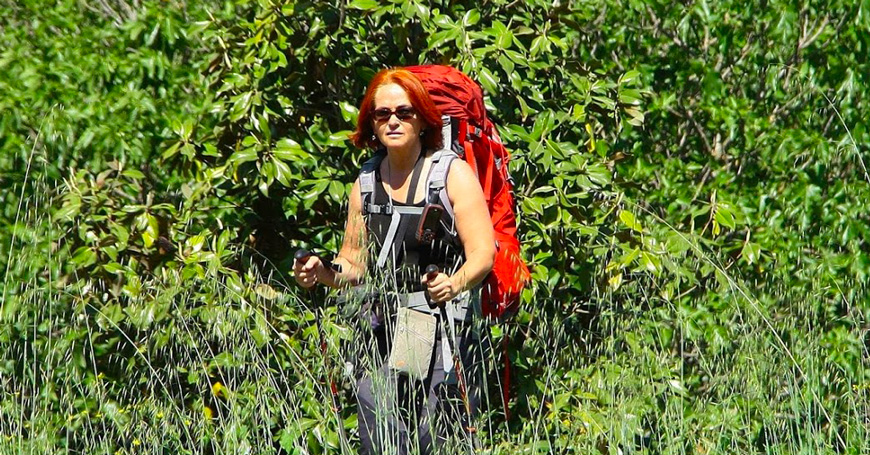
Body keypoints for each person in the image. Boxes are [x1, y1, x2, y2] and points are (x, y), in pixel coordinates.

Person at [293, 68, 495, 454]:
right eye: (382, 114)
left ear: (422, 118)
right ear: (371, 122)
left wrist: (453, 284)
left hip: (441, 325)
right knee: (381, 430)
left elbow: (483, 254)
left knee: (436, 435)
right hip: (388, 324)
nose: (393, 120)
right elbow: (353, 265)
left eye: (404, 112)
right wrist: (321, 271)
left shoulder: (451, 175)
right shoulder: (366, 183)